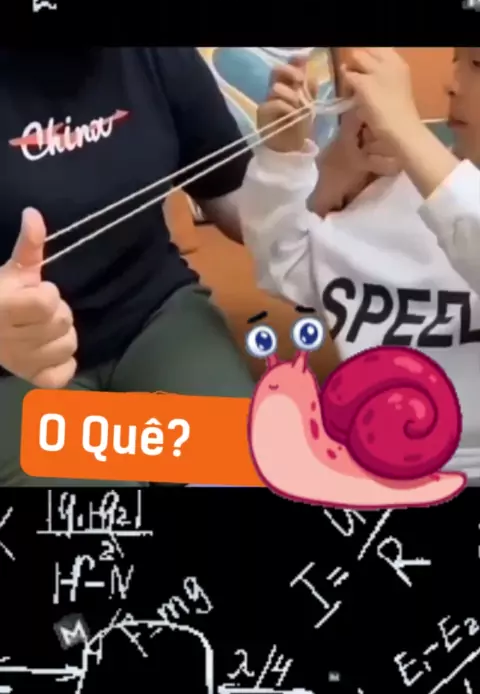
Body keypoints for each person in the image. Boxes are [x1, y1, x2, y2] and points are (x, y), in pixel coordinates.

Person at [0, 47, 254, 487]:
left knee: (244, 468)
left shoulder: (156, 55)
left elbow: (231, 193)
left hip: (153, 316)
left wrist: (325, 179)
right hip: (12, 371)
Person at [239, 47, 480, 481]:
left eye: (477, 65)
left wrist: (408, 133)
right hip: (374, 466)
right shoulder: (389, 198)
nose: (453, 84)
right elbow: (284, 268)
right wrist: (283, 158)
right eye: (456, 60)